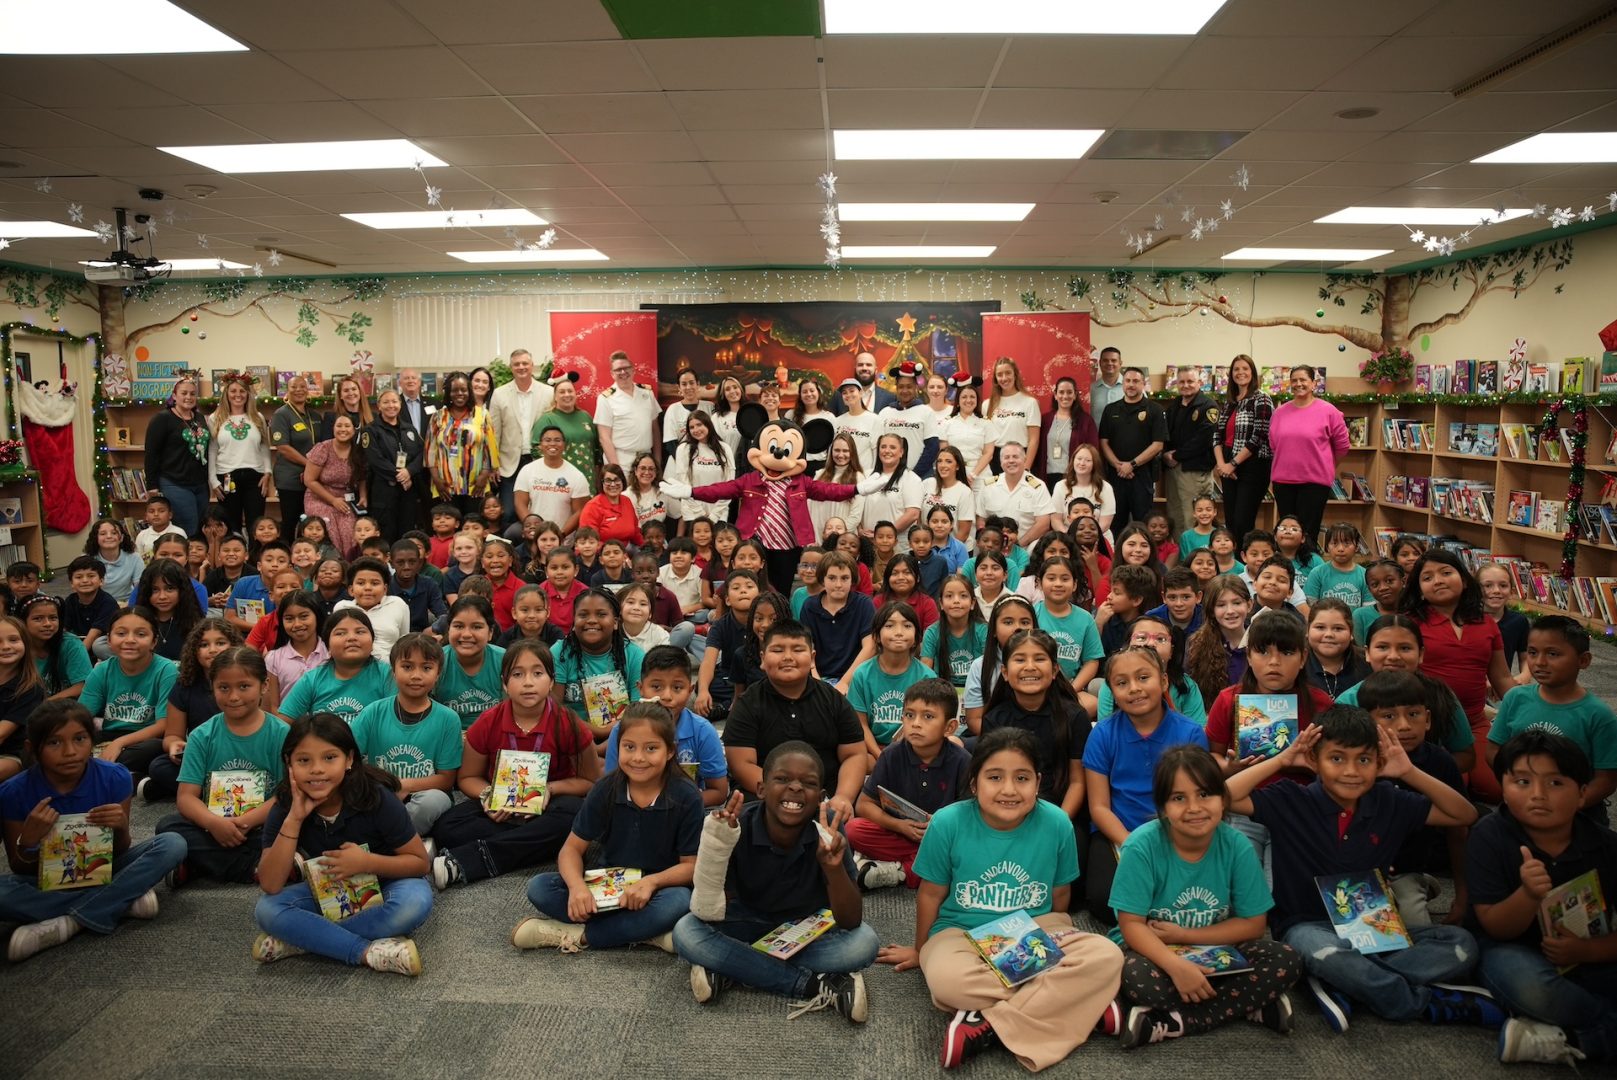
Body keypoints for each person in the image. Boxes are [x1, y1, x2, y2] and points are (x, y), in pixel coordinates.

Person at [1225, 709, 1494, 1034]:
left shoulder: (1389, 800)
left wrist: (1409, 771)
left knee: (1461, 944)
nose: (1351, 771)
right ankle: (1418, 1002)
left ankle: (1348, 983)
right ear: (1314, 759)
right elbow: (1223, 797)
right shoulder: (1290, 798)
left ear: (1379, 763)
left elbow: (1463, 814)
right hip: (1307, 926)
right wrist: (1282, 760)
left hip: (1373, 928)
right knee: (1321, 950)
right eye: (1336, 759)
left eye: (1364, 761)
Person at [876, 727, 1124, 1070]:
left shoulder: (1056, 823)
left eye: (1022, 778)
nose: (1009, 789)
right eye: (995, 777)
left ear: (1037, 783)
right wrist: (921, 951)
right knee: (948, 983)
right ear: (975, 783)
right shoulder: (947, 823)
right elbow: (930, 894)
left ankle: (987, 1025)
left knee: (1108, 955)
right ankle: (1080, 1002)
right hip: (960, 933)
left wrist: (1051, 936)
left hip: (1033, 928)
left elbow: (1060, 895)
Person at [1109, 745, 1298, 1050]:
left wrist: (1185, 934)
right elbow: (1131, 925)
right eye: (1178, 798)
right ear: (1162, 806)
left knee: (1285, 959)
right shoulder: (1141, 846)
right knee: (1133, 977)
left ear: (1223, 800)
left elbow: (1253, 925)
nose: (1194, 807)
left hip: (1219, 947)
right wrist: (1175, 965)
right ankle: (1249, 1004)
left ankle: (1174, 1021)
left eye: (1204, 794)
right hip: (1154, 951)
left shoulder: (1236, 845)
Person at [674, 745, 877, 1021]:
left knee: (864, 943)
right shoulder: (737, 824)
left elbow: (851, 919)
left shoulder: (827, 825)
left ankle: (734, 967)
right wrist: (718, 848)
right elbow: (708, 908)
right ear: (761, 789)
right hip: (749, 923)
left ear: (820, 797)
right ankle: (814, 984)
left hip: (807, 931)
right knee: (686, 931)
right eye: (782, 779)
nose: (794, 787)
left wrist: (833, 869)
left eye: (808, 783)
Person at [1469, 731, 1617, 1066]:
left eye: (1555, 783)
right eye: (1522, 781)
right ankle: (1598, 1030)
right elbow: (1495, 926)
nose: (1538, 794)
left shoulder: (1605, 845)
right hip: (1513, 950)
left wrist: (1588, 950)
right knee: (1528, 986)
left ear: (1582, 794)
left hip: (1589, 952)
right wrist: (1528, 895)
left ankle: (1573, 1035)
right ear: (1503, 790)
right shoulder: (1489, 837)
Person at [0, 700, 186, 962]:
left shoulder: (114, 777)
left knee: (173, 843)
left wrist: (120, 826)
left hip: (105, 869)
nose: (70, 752)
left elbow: (120, 849)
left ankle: (69, 921)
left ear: (92, 740)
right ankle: (120, 901)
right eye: (54, 743)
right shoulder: (14, 792)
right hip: (46, 881)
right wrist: (27, 841)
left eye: (80, 739)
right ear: (33, 749)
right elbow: (20, 866)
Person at [515, 700, 702, 953]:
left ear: (670, 751)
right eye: (629, 747)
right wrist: (577, 888)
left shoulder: (686, 796)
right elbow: (571, 849)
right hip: (608, 886)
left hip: (657, 889)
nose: (638, 757)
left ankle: (580, 935)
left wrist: (652, 882)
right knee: (540, 887)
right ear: (618, 746)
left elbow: (691, 866)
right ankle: (645, 933)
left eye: (651, 748)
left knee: (679, 902)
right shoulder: (605, 789)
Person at [251, 712, 430, 975]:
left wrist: (366, 862)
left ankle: (303, 939)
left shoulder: (375, 796)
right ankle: (367, 952)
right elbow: (270, 883)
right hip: (330, 888)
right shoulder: (286, 805)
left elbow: (419, 863)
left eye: (329, 757)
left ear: (349, 759)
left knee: (414, 903)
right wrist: (294, 819)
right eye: (303, 760)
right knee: (266, 910)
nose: (317, 769)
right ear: (289, 763)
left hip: (389, 881)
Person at [428, 641, 600, 889]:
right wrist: (487, 795)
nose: (528, 682)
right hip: (501, 808)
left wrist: (549, 789)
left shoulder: (569, 724)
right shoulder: (488, 722)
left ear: (551, 681)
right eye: (517, 674)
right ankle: (536, 844)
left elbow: (589, 782)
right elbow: (467, 778)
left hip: (550, 807)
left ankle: (468, 860)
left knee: (575, 816)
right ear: (505, 683)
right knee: (446, 827)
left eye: (538, 673)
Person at [1083, 645, 1210, 923]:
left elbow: (1195, 801)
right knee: (1104, 901)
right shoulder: (1102, 735)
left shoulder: (1189, 732)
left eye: (1143, 678)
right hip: (1120, 834)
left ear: (1163, 681)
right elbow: (1099, 807)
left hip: (1177, 831)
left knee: (1197, 896)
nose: (1134, 689)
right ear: (1111, 691)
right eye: (1121, 682)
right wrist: (1131, 845)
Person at [158, 647, 290, 886]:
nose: (233, 697)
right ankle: (254, 868)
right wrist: (214, 823)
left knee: (301, 825)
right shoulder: (201, 736)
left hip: (263, 826)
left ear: (264, 685)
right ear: (213, 688)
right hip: (214, 826)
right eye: (223, 688)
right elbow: (186, 798)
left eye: (244, 686)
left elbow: (286, 795)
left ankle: (199, 865)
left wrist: (245, 822)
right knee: (168, 827)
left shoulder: (282, 734)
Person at [723, 621, 867, 824]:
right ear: (763, 659)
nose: (788, 657)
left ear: (812, 658)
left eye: (798, 649)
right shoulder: (748, 703)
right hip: (766, 796)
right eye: (778, 650)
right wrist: (786, 794)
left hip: (826, 796)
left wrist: (843, 797)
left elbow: (854, 754)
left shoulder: (833, 700)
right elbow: (741, 764)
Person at [1400, 549, 1514, 801]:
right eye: (1427, 577)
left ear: (1464, 580)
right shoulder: (1409, 623)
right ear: (1419, 589)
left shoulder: (1486, 624)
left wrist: (1529, 707)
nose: (1438, 580)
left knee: (1497, 789)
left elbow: (1503, 678)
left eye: (1446, 572)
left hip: (1475, 720)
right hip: (1432, 724)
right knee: (1450, 788)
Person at [846, 677, 970, 890]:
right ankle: (917, 867)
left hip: (942, 838)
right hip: (902, 833)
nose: (916, 723)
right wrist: (900, 826)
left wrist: (942, 824)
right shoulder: (891, 755)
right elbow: (863, 805)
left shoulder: (962, 760)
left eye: (928, 716)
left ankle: (900, 872)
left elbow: (971, 815)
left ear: (949, 727)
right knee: (853, 829)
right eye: (909, 715)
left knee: (965, 853)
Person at [1486, 615, 1617, 814]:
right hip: (1520, 805)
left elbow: (1606, 779)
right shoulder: (1515, 698)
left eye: (1553, 654)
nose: (1539, 662)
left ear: (1583, 660)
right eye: (1532, 652)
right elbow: (1493, 751)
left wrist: (1570, 805)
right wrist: (1516, 787)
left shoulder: (1598, 715)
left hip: (1577, 813)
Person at [348, 633, 462, 841]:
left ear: (438, 674)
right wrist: (385, 789)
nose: (416, 675)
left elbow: (446, 780)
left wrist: (403, 785)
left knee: (432, 802)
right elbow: (349, 758)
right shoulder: (373, 712)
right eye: (407, 667)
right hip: (380, 793)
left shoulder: (448, 719)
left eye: (426, 668)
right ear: (393, 672)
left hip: (425, 794)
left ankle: (387, 845)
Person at [1267, 365, 1348, 556]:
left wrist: (1327, 465)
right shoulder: (1280, 412)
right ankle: (1286, 570)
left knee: (1307, 534)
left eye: (1303, 380)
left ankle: (1308, 574)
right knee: (1286, 532)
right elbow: (1273, 443)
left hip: (1314, 482)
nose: (1298, 384)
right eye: (1294, 380)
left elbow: (1343, 446)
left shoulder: (1329, 411)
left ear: (1313, 383)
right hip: (1283, 481)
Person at [847, 602, 932, 768]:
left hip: (914, 747)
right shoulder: (862, 674)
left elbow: (928, 725)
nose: (899, 632)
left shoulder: (926, 676)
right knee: (855, 762)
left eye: (907, 626)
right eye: (889, 625)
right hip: (873, 749)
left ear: (917, 637)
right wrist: (880, 756)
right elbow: (860, 725)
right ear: (877, 636)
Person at [279, 609, 396, 725]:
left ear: (372, 643)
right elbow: (282, 724)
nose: (351, 638)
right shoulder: (312, 679)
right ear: (328, 647)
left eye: (360, 632)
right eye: (340, 633)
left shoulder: (387, 675)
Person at [1099, 367, 1168, 542]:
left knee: (1142, 523)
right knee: (1116, 524)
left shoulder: (1155, 409)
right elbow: (1103, 442)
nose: (1131, 385)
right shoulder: (1111, 409)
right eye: (1128, 381)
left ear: (1143, 384)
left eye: (1136, 381)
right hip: (1116, 476)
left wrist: (1132, 464)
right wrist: (1118, 465)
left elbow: (1158, 444)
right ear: (1124, 384)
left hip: (1142, 476)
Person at [1213, 354, 1273, 546]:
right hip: (1228, 463)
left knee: (1243, 521)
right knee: (1230, 521)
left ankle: (1245, 567)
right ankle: (1232, 565)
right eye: (1236, 369)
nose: (1240, 373)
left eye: (1245, 369)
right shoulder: (1229, 402)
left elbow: (1259, 437)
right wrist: (1222, 464)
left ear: (1252, 373)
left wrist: (1232, 464)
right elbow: (1217, 436)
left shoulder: (1261, 399)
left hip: (1253, 465)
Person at [205, 372, 273, 535]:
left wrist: (268, 472)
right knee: (230, 524)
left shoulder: (257, 417)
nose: (238, 395)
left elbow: (264, 446)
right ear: (226, 394)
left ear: (248, 394)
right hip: (227, 476)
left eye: (242, 391)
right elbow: (212, 450)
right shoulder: (216, 418)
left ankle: (254, 556)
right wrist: (213, 480)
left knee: (256, 524)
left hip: (255, 477)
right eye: (233, 391)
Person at [144, 376, 211, 538]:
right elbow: (151, 454)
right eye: (184, 393)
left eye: (193, 394)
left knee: (202, 527)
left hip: (200, 484)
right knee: (189, 528)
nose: (189, 397)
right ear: (174, 396)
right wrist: (152, 485)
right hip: (175, 483)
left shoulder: (199, 418)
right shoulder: (162, 419)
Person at [426, 371, 500, 519]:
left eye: (463, 390)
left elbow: (489, 448)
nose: (459, 394)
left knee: (473, 526)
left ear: (469, 391)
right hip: (445, 486)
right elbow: (430, 450)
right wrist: (436, 479)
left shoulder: (482, 415)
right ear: (448, 393)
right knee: (448, 527)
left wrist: (484, 475)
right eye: (454, 390)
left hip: (475, 485)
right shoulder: (438, 416)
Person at [490, 348, 552, 522]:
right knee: (508, 512)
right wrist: (493, 464)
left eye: (525, 363)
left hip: (540, 460)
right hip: (509, 464)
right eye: (517, 364)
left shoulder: (548, 392)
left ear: (532, 366)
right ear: (511, 368)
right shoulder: (499, 394)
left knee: (540, 511)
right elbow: (494, 433)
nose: (521, 367)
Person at [1160, 368, 1218, 545]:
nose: (1186, 385)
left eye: (1190, 381)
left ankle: (1198, 560)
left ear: (1199, 383)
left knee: (1192, 518)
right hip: (1173, 470)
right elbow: (1166, 434)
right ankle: (1182, 560)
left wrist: (1176, 455)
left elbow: (1203, 439)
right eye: (1182, 382)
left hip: (1194, 471)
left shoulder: (1209, 406)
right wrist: (1165, 456)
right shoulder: (1175, 406)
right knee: (1175, 517)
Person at [363, 389, 426, 544]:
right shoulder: (371, 430)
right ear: (379, 406)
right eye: (386, 402)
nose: (391, 405)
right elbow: (375, 459)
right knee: (386, 535)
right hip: (384, 492)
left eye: (394, 401)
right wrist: (400, 476)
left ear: (400, 404)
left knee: (407, 533)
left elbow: (421, 454)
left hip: (408, 492)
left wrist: (409, 472)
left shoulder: (409, 429)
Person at [302, 414, 367, 560]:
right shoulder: (323, 448)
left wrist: (363, 496)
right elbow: (309, 480)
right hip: (319, 496)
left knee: (348, 530)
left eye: (347, 426)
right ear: (333, 429)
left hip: (345, 498)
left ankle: (348, 566)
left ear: (354, 429)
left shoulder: (358, 450)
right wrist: (333, 501)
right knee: (329, 526)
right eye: (339, 426)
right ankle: (329, 564)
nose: (342, 429)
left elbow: (362, 477)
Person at [532, 368, 599, 493]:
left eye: (570, 391)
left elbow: (596, 450)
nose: (567, 395)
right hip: (560, 482)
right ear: (555, 397)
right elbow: (536, 451)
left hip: (588, 479)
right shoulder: (547, 419)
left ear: (575, 394)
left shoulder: (586, 417)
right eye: (562, 392)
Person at [333, 557, 409, 664]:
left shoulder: (397, 604)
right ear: (351, 590)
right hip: (351, 667)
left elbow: (404, 641)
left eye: (375, 583)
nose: (368, 588)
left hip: (388, 670)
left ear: (385, 589)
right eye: (361, 583)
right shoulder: (342, 608)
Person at [595, 350, 659, 470]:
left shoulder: (647, 393)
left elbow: (655, 430)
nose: (623, 372)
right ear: (612, 374)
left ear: (633, 369)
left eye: (626, 368)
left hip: (647, 459)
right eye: (618, 369)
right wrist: (616, 468)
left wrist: (657, 461)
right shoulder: (606, 398)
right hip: (622, 460)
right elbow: (604, 438)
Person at [878, 360, 941, 477]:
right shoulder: (885, 413)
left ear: (916, 387)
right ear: (896, 388)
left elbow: (932, 448)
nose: (905, 391)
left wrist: (914, 475)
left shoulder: (926, 412)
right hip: (890, 476)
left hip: (920, 476)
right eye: (901, 387)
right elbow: (878, 447)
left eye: (909, 387)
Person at [984, 357, 1041, 473]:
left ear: (1015, 375)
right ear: (995, 378)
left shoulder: (1030, 402)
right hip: (995, 461)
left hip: (1020, 458)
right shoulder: (987, 405)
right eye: (1000, 374)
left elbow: (1033, 440)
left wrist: (1026, 467)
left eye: (1008, 373)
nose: (1004, 378)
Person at [938, 372, 993, 490]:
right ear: (958, 400)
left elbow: (988, 453)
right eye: (964, 397)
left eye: (972, 397)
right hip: (954, 475)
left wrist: (973, 474)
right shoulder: (947, 423)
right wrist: (957, 474)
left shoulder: (986, 423)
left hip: (981, 476)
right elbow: (944, 453)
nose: (968, 400)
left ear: (977, 399)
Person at [1306, 598, 1371, 699]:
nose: (1329, 634)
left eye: (1338, 628)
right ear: (1308, 630)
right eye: (1320, 627)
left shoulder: (1368, 663)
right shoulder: (1295, 665)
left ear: (1351, 633)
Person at [1050, 444, 1114, 538]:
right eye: (1079, 459)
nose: (1082, 463)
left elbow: (1105, 523)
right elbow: (1056, 520)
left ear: (1094, 464)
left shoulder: (1105, 487)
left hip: (1098, 537)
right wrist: (1070, 536)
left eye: (1088, 460)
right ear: (1073, 460)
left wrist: (1088, 536)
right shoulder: (1060, 486)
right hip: (1068, 537)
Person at [85, 519, 143, 612]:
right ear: (96, 538)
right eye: (103, 534)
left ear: (121, 538)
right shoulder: (87, 560)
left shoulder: (134, 558)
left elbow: (140, 589)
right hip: (97, 603)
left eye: (114, 533)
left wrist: (128, 604)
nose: (109, 536)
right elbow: (83, 589)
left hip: (126, 603)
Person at [829, 350, 896, 416]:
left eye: (869, 365)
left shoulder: (889, 398)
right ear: (855, 369)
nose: (864, 368)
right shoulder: (839, 396)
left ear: (876, 370)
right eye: (860, 365)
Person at [321, 375, 374, 441]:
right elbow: (327, 446)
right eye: (346, 390)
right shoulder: (331, 417)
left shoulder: (373, 417)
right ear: (340, 395)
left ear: (360, 392)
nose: (351, 393)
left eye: (354, 389)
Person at [1090, 345, 1125, 419]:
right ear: (1100, 363)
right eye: (1105, 360)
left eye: (1113, 360)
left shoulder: (1131, 387)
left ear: (1120, 363)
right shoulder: (1091, 389)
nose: (1109, 363)